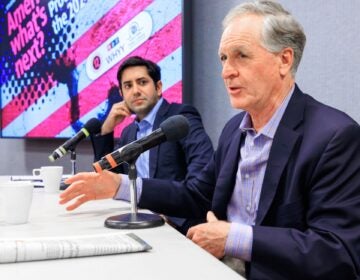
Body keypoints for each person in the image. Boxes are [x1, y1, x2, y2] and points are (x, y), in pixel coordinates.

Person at [59, 1, 360, 279]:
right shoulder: (234, 130)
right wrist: (120, 186)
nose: (227, 71)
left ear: (284, 60)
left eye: (241, 56)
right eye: (223, 58)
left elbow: (338, 251)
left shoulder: (334, 136)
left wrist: (233, 238)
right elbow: (197, 195)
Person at [89, 56, 214, 234]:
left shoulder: (179, 119)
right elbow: (108, 179)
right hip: (137, 221)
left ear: (158, 87)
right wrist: (107, 129)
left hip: (177, 226)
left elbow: (202, 180)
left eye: (142, 82)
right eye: (128, 86)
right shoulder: (129, 133)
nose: (136, 91)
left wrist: (171, 219)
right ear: (122, 94)